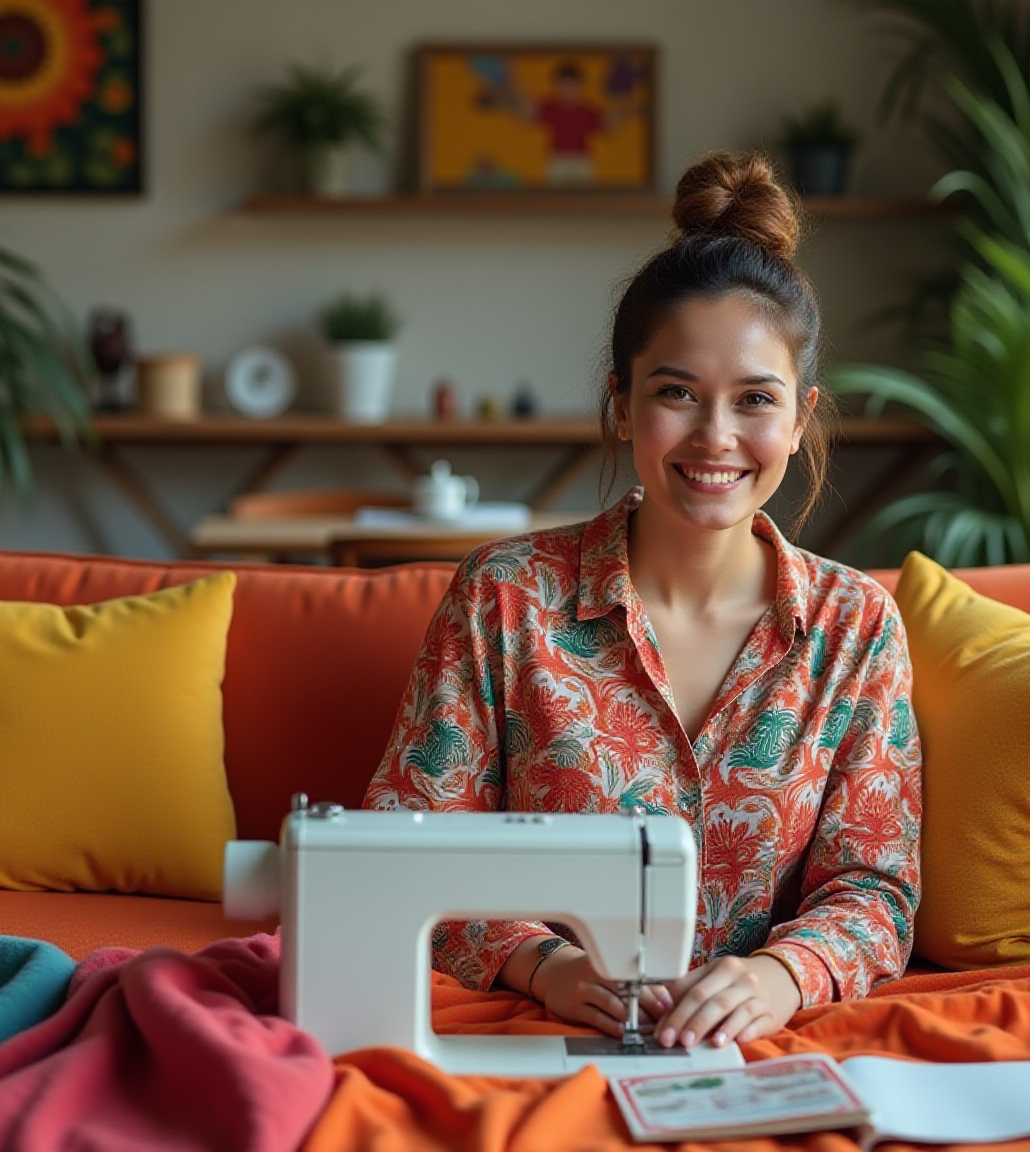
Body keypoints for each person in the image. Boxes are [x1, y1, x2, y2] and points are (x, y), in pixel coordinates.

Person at [364, 151, 922, 1051]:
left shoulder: (854, 628)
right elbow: (405, 844)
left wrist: (783, 975)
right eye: (675, 394)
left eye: (755, 400)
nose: (716, 437)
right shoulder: (504, 600)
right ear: (621, 404)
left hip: (763, 1047)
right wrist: (545, 967)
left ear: (800, 416)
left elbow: (875, 885)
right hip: (538, 1032)